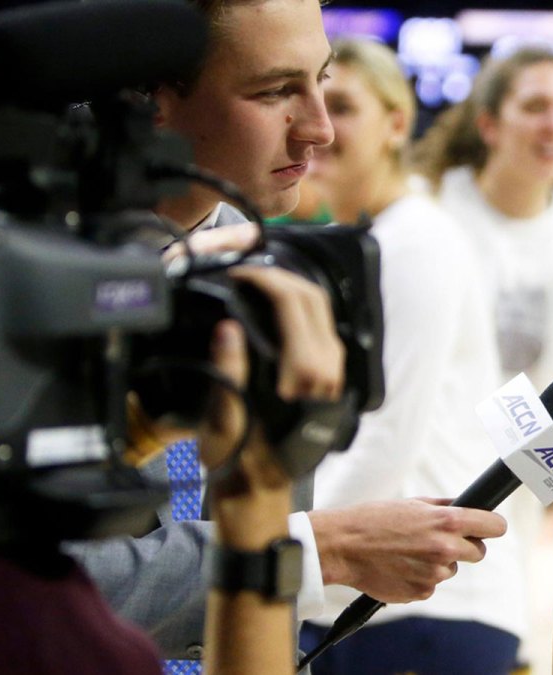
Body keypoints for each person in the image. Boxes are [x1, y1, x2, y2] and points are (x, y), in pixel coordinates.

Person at [66, 0, 509, 669]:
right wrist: (319, 548)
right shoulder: (10, 272)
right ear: (148, 98)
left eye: (321, 81)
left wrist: (308, 548)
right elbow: (11, 591)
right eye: (275, 91)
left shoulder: (266, 270)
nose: (319, 129)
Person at [295, 38, 523, 674]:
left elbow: (387, 434)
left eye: (344, 106)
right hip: (376, 597)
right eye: (313, 104)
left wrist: (292, 558)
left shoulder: (417, 241)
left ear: (397, 125)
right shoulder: (369, 241)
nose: (321, 126)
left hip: (428, 609)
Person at [415, 46, 553, 388]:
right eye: (535, 107)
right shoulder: (429, 206)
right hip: (445, 421)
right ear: (489, 125)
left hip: (542, 423)